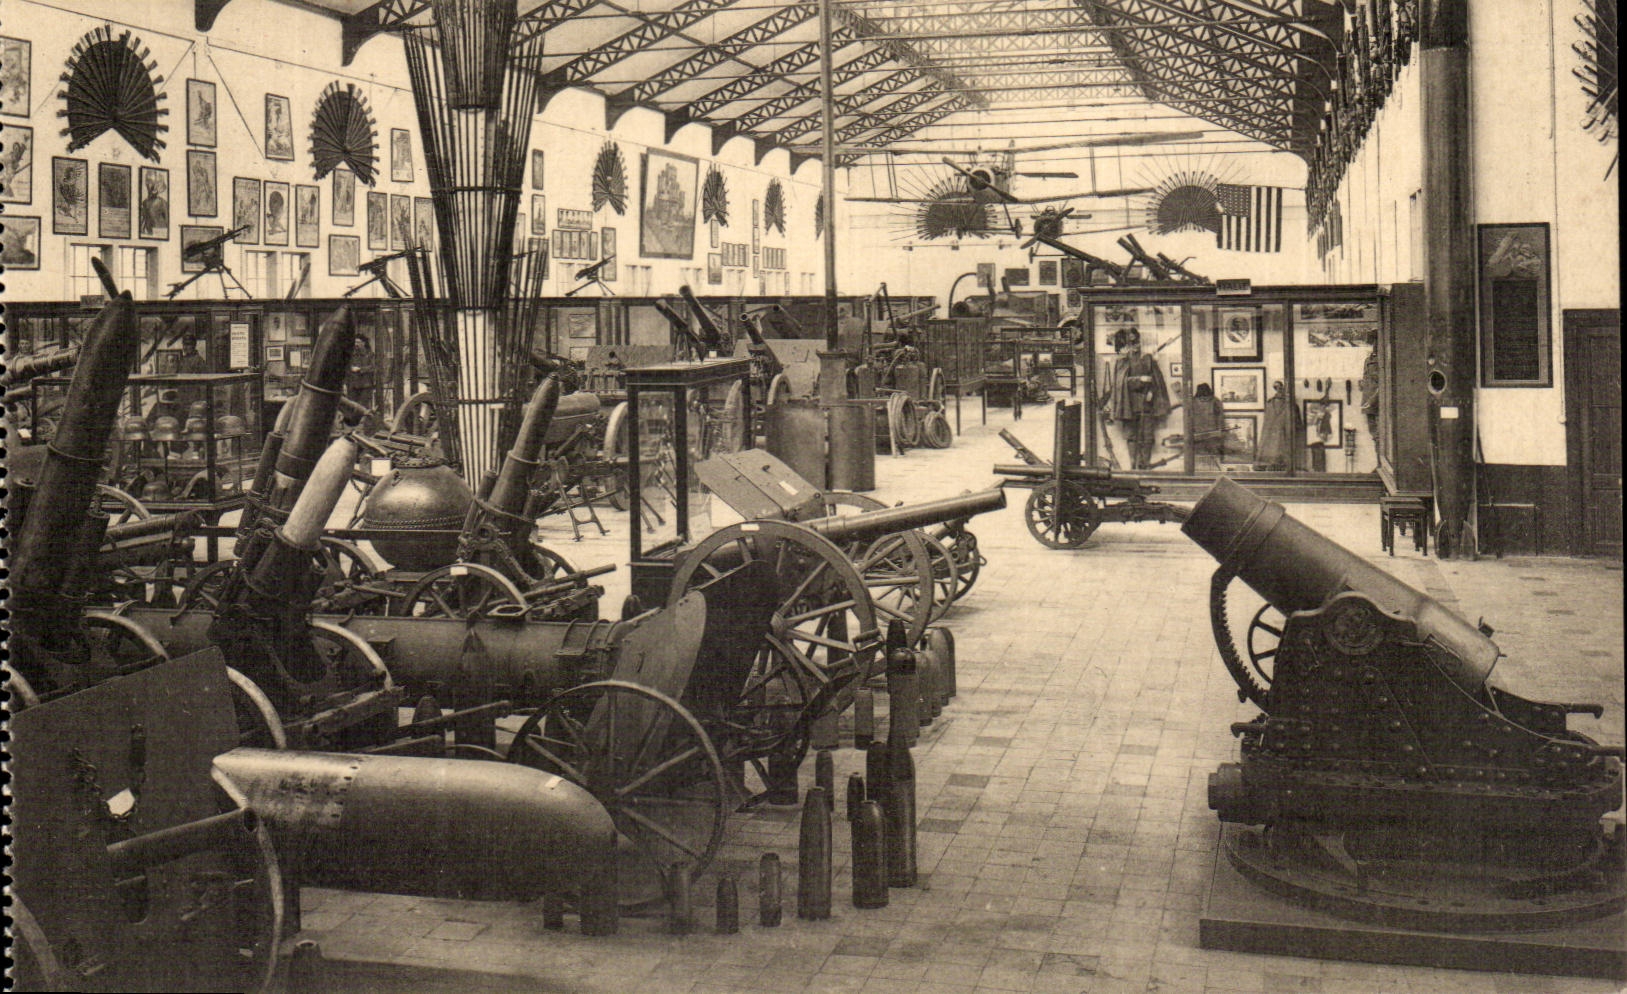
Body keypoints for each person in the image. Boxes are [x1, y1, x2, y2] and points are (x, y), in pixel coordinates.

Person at [1102, 328, 1169, 470]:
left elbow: (1156, 380)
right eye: (1132, 342)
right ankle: (1133, 464)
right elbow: (1120, 383)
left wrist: (1151, 391)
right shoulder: (1122, 361)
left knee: (1148, 437)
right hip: (1129, 404)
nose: (1136, 344)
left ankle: (1144, 465)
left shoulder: (1147, 358)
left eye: (1137, 341)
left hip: (1146, 403)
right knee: (1132, 436)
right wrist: (1139, 379)